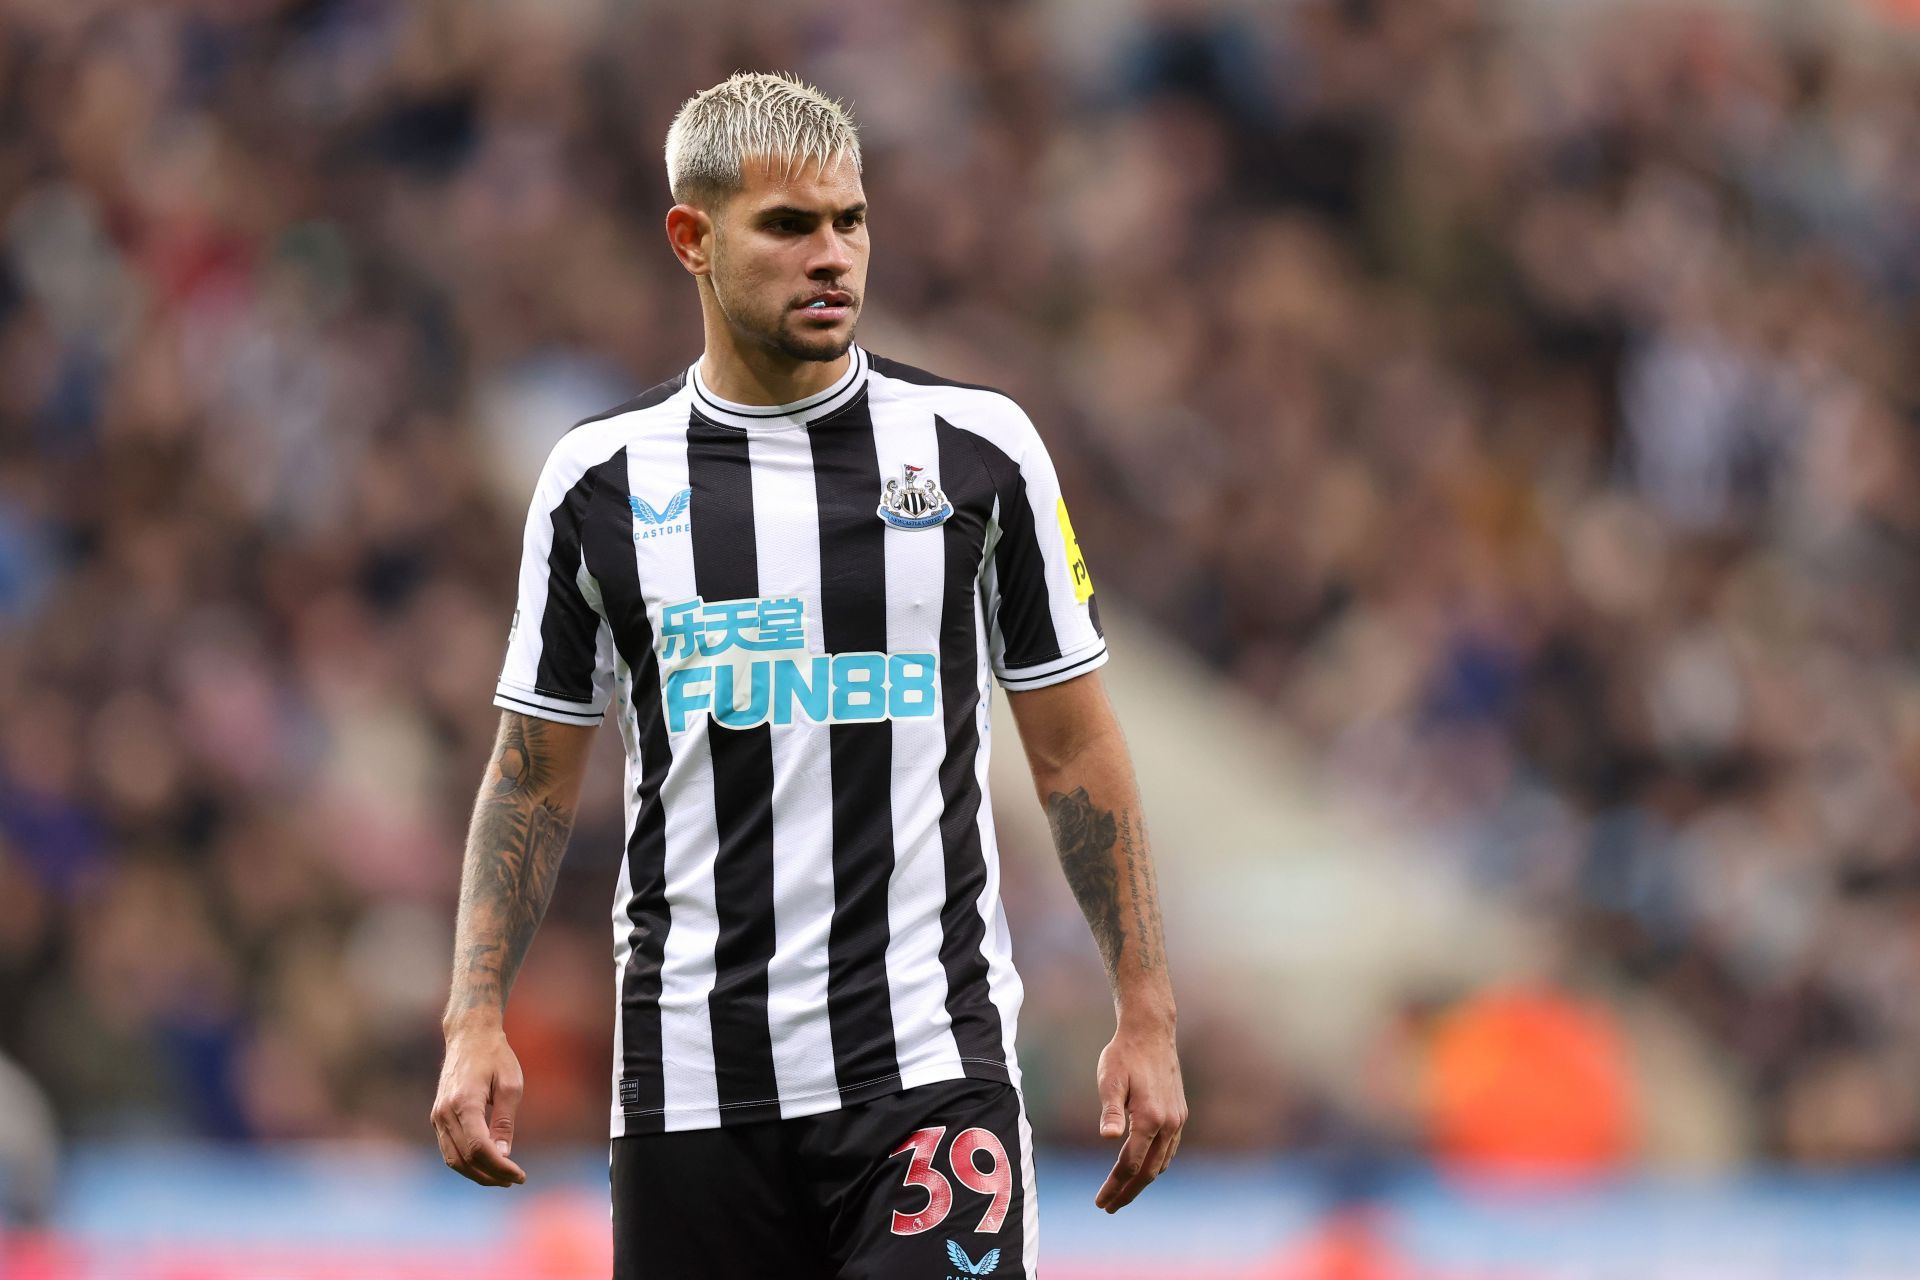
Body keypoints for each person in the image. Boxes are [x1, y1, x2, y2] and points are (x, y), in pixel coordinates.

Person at [430, 70, 1184, 1279]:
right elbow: (529, 777)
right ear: (693, 237)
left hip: (925, 1071)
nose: (832, 256)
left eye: (851, 221)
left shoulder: (979, 454)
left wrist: (1144, 1010)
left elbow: (1075, 749)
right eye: (789, 226)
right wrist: (474, 1017)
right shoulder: (598, 484)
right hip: (690, 1085)